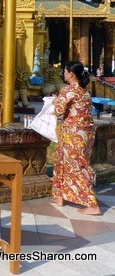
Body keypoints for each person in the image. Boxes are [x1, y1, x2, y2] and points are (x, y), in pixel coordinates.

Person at [51, 61, 100, 215]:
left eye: (65, 71)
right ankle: (60, 196)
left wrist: (55, 100)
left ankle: (92, 205)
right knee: (61, 161)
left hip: (73, 134)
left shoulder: (69, 90)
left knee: (76, 166)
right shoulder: (85, 91)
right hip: (83, 133)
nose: (63, 74)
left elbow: (58, 110)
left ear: (71, 74)